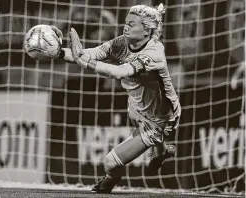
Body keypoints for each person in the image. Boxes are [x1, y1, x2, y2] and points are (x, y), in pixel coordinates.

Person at [53, 3, 181, 194]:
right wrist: (58, 51)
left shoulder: (154, 53)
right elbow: (90, 53)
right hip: (137, 106)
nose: (126, 27)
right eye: (126, 22)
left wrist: (86, 62)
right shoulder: (122, 42)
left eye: (132, 24)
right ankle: (162, 152)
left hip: (160, 119)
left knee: (110, 162)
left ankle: (110, 180)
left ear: (147, 30)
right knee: (134, 111)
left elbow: (121, 72)